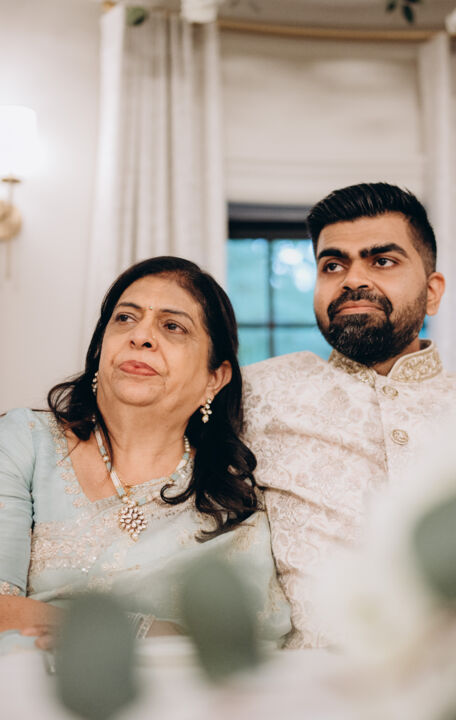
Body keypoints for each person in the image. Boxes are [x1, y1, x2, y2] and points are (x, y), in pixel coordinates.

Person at [0, 256, 291, 653]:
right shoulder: (24, 442)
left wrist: (99, 629)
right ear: (100, 347)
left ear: (215, 377)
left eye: (173, 326)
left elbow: (242, 651)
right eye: (125, 319)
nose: (141, 336)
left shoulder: (232, 506)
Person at [242, 182, 456, 649]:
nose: (352, 280)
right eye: (332, 265)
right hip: (309, 680)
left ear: (432, 292)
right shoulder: (257, 391)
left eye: (382, 261)